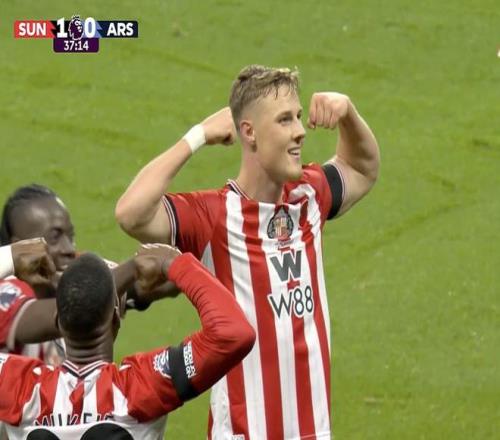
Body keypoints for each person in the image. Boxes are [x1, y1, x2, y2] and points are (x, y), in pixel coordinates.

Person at [115, 65, 380, 439]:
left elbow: (362, 167)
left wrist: (348, 113)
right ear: (249, 132)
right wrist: (198, 135)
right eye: (285, 120)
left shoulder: (309, 195)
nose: (300, 131)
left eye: (298, 116)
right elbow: (131, 212)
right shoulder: (214, 216)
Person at [0, 244, 256, 439]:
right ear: (115, 318)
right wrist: (175, 263)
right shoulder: (143, 386)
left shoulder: (17, 387)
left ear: (57, 322)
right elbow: (233, 332)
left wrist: (10, 256)